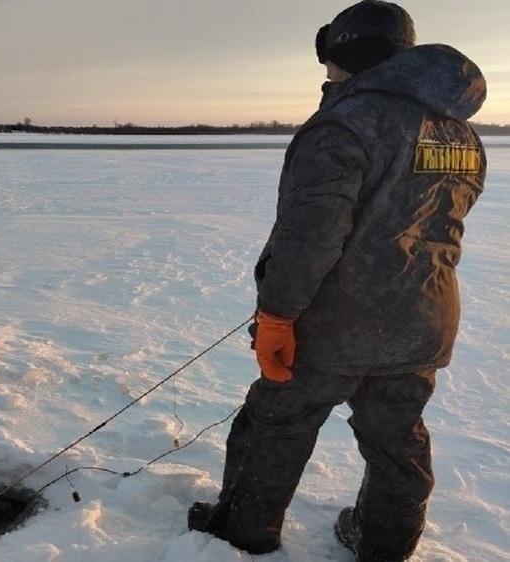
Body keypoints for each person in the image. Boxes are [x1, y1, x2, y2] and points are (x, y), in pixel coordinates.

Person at [187, 1, 487, 560]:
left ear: (344, 53)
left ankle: (242, 537)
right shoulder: (460, 132)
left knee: (274, 425)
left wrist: (277, 314)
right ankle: (384, 545)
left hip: (335, 326)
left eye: (328, 56)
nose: (325, 70)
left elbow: (311, 236)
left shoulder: (345, 123)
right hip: (424, 320)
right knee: (397, 440)